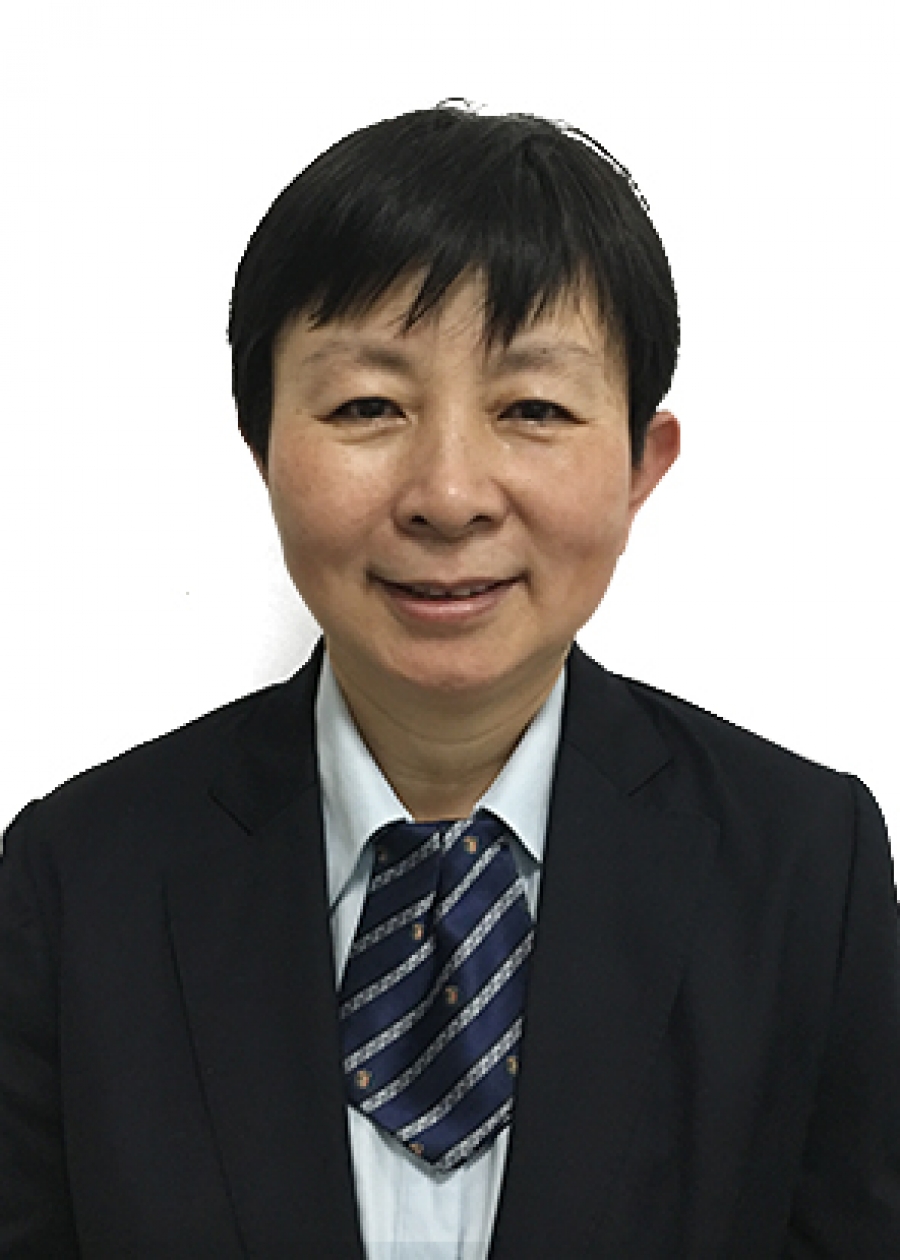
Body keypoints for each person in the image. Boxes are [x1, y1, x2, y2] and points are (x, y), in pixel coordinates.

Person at [1, 102, 897, 1260]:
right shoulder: (78, 880)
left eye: (533, 408)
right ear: (263, 444)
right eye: (368, 406)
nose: (450, 494)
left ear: (642, 462)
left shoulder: (804, 867)